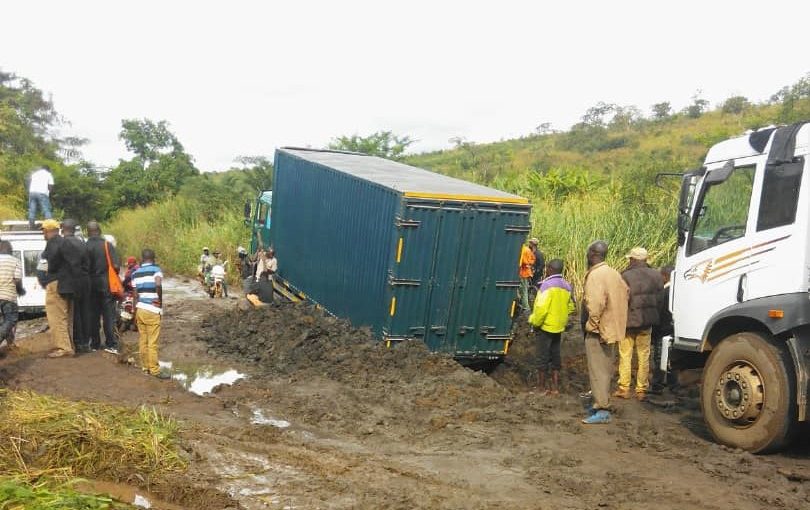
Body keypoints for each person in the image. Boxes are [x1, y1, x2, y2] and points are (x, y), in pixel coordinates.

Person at [581, 240, 629, 424]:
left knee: (597, 371)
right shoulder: (615, 274)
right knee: (605, 370)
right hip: (612, 330)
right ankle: (600, 403)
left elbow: (595, 305)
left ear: (593, 254)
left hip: (599, 332)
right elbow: (626, 295)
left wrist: (593, 327)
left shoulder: (595, 276)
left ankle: (602, 409)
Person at [615, 247, 663, 401]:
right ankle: (641, 389)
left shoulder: (625, 275)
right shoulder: (656, 275)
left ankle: (624, 387)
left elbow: (621, 300)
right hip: (647, 321)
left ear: (633, 260)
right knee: (644, 355)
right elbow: (660, 300)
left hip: (628, 322)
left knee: (625, 354)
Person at [528, 259, 574, 396]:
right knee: (555, 356)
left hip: (545, 327)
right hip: (559, 327)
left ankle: (541, 388)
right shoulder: (567, 286)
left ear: (549, 269)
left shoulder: (546, 286)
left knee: (542, 356)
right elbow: (571, 306)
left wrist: (534, 322)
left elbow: (541, 309)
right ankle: (555, 388)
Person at [132, 248, 168, 379]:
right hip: (152, 309)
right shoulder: (156, 270)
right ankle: (155, 370)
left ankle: (145, 367)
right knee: (152, 342)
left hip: (140, 308)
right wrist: (160, 301)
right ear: (153, 258)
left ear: (142, 258)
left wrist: (134, 313)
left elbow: (135, 295)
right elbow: (158, 285)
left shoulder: (135, 273)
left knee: (143, 340)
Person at [85, 221, 120, 354]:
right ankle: (111, 343)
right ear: (99, 230)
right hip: (106, 285)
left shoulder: (85, 246)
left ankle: (95, 343)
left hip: (90, 286)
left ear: (88, 232)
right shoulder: (107, 245)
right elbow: (116, 266)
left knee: (93, 316)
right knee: (108, 316)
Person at [41, 219, 74, 358]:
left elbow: (51, 262)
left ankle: (64, 348)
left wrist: (46, 277)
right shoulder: (66, 242)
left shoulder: (53, 243)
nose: (42, 233)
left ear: (49, 231)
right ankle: (68, 345)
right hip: (67, 283)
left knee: (56, 316)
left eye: (43, 230)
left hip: (55, 282)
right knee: (65, 316)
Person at [61, 219, 92, 353]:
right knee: (85, 311)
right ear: (74, 230)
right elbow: (88, 264)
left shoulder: (61, 244)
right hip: (85, 280)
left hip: (69, 282)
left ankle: (76, 342)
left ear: (63, 229)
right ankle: (86, 342)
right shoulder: (82, 243)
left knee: (73, 313)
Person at [651, 265, 674, 392]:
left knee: (660, 358)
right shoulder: (677, 290)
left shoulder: (665, 293)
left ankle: (657, 384)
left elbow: (659, 313)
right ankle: (673, 385)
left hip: (663, 329)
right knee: (672, 358)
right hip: (673, 329)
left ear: (665, 276)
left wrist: (654, 331)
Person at [0, 240, 24, 350]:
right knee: (10, 320)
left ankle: (11, 344)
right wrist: (20, 291)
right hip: (8, 296)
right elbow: (17, 279)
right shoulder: (15, 261)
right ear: (11, 251)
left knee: (4, 321)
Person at [27, 165, 54, 229]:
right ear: (48, 169)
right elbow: (51, 186)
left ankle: (31, 226)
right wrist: (49, 193)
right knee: (46, 209)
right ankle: (49, 226)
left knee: (32, 210)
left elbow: (30, 182)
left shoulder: (35, 174)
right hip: (42, 193)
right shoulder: (48, 174)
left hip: (32, 192)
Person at [518, 239, 537, 312]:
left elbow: (523, 261)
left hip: (523, 273)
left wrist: (526, 264)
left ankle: (526, 307)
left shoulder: (523, 250)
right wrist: (530, 264)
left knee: (524, 290)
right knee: (524, 289)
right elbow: (533, 259)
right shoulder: (528, 250)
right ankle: (524, 304)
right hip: (527, 272)